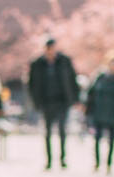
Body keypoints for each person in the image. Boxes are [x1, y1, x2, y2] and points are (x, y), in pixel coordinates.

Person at [26, 36, 80, 169]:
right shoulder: (37, 63)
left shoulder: (65, 61)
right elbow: (31, 84)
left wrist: (75, 99)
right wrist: (35, 102)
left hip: (62, 101)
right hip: (46, 102)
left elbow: (73, 80)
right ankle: (49, 160)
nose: (50, 51)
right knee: (47, 132)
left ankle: (62, 158)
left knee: (62, 130)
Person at [85, 52, 114, 173]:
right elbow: (91, 94)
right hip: (98, 112)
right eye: (111, 64)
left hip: (113, 113)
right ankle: (97, 162)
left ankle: (109, 163)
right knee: (97, 139)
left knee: (111, 140)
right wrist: (88, 109)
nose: (113, 67)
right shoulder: (99, 77)